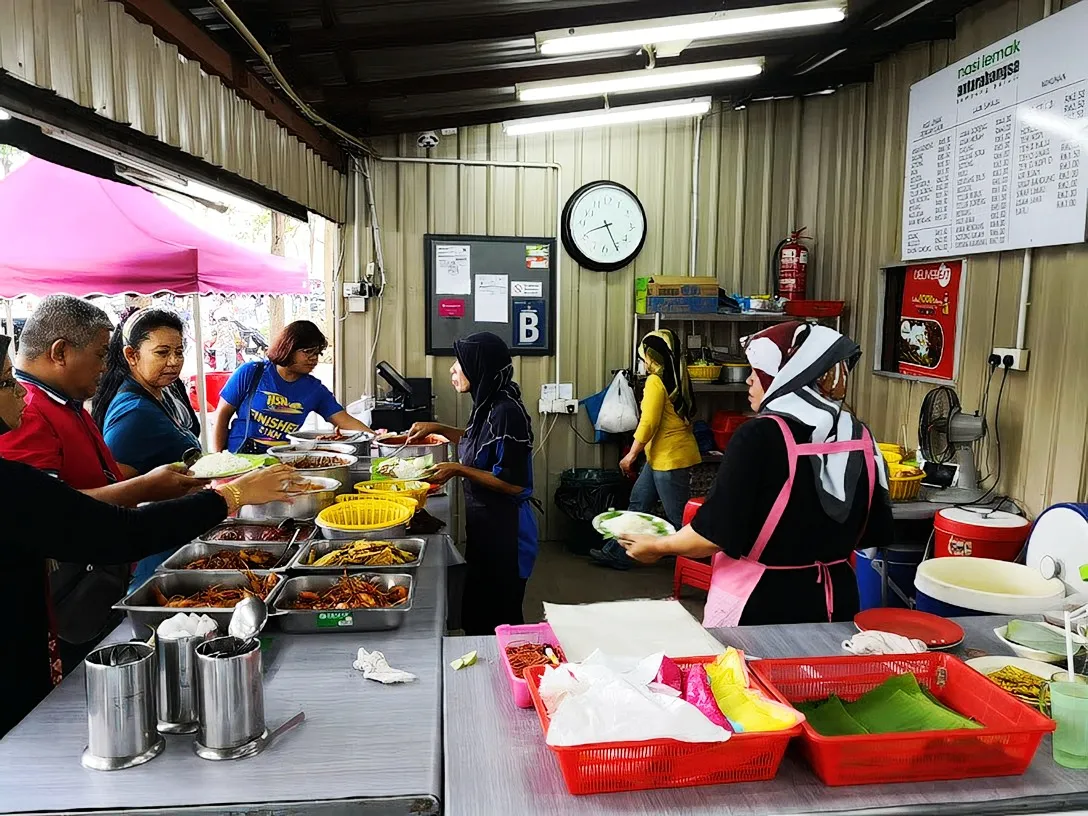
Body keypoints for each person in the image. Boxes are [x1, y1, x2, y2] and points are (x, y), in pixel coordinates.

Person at [0, 333, 302, 737]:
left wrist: (150, 488)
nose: (20, 391)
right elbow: (118, 532)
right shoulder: (12, 482)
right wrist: (231, 494)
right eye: (5, 382)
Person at [619, 322, 894, 626]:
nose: (750, 380)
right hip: (837, 601)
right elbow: (874, 529)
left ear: (789, 376)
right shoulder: (859, 435)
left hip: (763, 605)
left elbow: (713, 534)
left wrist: (657, 547)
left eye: (760, 372)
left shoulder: (760, 435)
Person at [0, 296, 203, 671]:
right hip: (67, 602)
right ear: (60, 352)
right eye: (100, 354)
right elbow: (52, 515)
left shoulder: (65, 402)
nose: (107, 366)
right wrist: (145, 488)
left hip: (100, 585)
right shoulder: (26, 412)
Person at [407, 332, 537, 634]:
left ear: (480, 369)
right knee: (479, 611)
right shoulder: (489, 403)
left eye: (460, 363)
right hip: (486, 526)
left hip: (507, 532)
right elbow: (479, 442)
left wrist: (458, 470)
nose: (453, 369)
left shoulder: (507, 413)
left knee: (500, 615)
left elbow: (514, 485)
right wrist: (439, 428)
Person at [92, 308, 202, 587]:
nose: (174, 362)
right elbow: (117, 490)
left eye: (178, 352)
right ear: (132, 355)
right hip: (153, 554)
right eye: (162, 353)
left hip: (178, 536)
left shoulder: (164, 392)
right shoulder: (133, 413)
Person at [591, 329, 701, 570]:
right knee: (638, 504)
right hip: (661, 457)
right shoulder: (678, 376)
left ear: (652, 358)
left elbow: (649, 422)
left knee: (680, 518)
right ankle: (619, 555)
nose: (642, 362)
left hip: (669, 460)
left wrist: (631, 454)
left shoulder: (655, 381)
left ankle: (703, 564)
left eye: (643, 357)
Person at [214, 320, 373, 453]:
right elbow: (222, 414)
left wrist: (377, 437)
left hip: (280, 460)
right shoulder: (251, 372)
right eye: (308, 352)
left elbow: (344, 420)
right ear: (288, 349)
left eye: (317, 353)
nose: (314, 359)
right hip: (241, 458)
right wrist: (217, 459)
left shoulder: (314, 389)